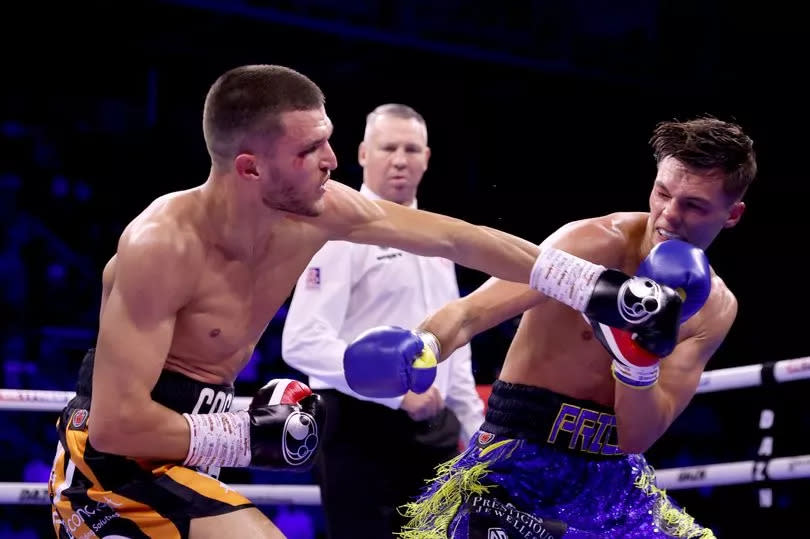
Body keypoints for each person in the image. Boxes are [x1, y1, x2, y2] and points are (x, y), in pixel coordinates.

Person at [45, 63, 558, 538]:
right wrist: (248, 434)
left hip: (190, 461)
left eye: (328, 141)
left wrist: (583, 279)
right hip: (109, 473)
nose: (329, 161)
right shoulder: (163, 244)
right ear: (251, 168)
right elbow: (116, 427)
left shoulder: (322, 213)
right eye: (309, 149)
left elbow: (459, 239)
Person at [343, 116, 756, 538]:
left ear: (732, 213)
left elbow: (636, 436)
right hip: (512, 464)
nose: (668, 215)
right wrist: (426, 343)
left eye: (694, 205)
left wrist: (636, 358)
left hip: (611, 479)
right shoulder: (592, 245)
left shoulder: (715, 309)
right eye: (662, 193)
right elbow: (471, 312)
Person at [282, 104, 485, 538]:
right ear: (361, 154)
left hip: (433, 432)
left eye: (410, 148)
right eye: (388, 147)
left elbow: (454, 346)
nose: (399, 159)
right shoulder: (339, 232)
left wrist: (480, 435)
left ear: (427, 158)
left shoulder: (437, 236)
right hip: (360, 430)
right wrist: (395, 393)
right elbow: (301, 340)